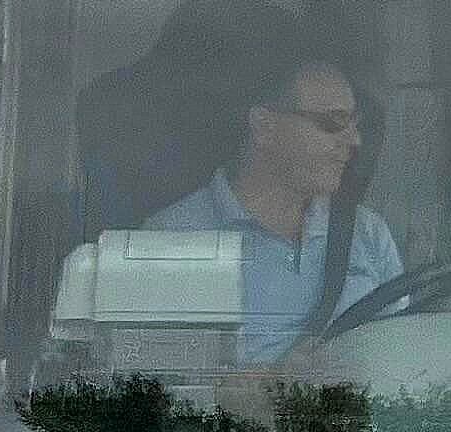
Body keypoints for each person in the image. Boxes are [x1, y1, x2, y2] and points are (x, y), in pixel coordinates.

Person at [146, 55, 403, 363]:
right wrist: (227, 394)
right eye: (334, 122)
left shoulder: (369, 233)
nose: (354, 140)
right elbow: (149, 383)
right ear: (264, 126)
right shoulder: (169, 238)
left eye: (355, 124)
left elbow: (401, 358)